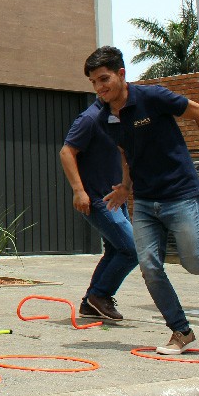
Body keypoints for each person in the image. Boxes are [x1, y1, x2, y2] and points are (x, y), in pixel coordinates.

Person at [84, 46, 199, 355]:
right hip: (146, 201)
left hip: (179, 193)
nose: (100, 87)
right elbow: (126, 152)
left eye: (104, 79)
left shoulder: (152, 97)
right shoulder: (104, 117)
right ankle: (181, 331)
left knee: (193, 260)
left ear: (121, 74)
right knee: (150, 267)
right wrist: (125, 186)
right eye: (94, 82)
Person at [59, 98, 138, 322]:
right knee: (133, 249)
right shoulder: (90, 118)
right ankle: (100, 295)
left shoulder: (118, 118)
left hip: (115, 197)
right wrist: (78, 191)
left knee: (116, 250)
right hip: (97, 199)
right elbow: (66, 152)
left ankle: (90, 303)